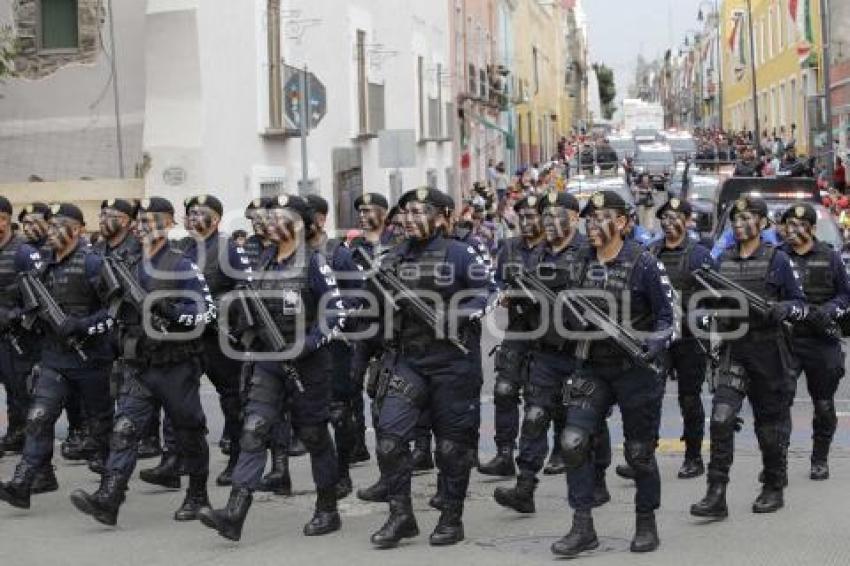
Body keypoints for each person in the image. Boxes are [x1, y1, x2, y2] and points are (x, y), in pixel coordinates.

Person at [198, 194, 346, 541]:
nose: (271, 222)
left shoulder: (313, 262)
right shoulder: (263, 261)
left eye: (281, 216)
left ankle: (328, 508)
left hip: (308, 365)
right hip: (268, 362)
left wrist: (308, 344)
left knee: (313, 435)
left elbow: (336, 314)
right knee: (253, 430)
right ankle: (234, 514)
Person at [70, 196, 215, 525]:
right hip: (138, 364)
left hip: (175, 363)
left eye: (152, 219)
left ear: (168, 224)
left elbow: (207, 311)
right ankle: (109, 497)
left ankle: (197, 494)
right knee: (124, 429)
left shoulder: (181, 263)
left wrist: (171, 311)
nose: (143, 225)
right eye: (140, 220)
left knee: (189, 432)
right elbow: (114, 310)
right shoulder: (128, 264)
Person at [552, 190, 674, 557]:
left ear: (621, 223)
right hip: (591, 365)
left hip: (635, 369)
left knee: (638, 453)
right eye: (589, 219)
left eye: (601, 218)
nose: (592, 225)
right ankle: (582, 525)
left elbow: (670, 318)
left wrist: (654, 344)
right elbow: (563, 310)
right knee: (573, 441)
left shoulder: (644, 262)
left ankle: (645, 522)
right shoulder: (578, 262)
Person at [367, 187, 489, 548]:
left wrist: (452, 315)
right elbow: (373, 308)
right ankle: (400, 515)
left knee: (452, 448)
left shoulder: (461, 253)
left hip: (453, 362)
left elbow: (488, 293)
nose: (412, 219)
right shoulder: (392, 257)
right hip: (408, 360)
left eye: (422, 212)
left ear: (442, 217)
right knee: (389, 440)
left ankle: (451, 517)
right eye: (407, 212)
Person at [690, 196, 806, 520]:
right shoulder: (721, 260)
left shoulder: (777, 260)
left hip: (768, 350)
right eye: (736, 218)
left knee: (769, 427)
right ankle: (716, 494)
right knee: (722, 417)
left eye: (749, 217)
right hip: (733, 347)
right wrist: (703, 316)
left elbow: (800, 304)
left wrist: (783, 309)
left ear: (763, 223)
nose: (741, 223)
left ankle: (773, 485)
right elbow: (706, 299)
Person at [0, 203, 115, 510]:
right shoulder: (42, 265)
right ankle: (22, 483)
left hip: (91, 359)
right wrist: (22, 317)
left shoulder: (93, 263)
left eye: (57, 226)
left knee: (99, 425)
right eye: (49, 226)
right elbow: (29, 306)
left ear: (77, 230)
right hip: (54, 358)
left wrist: (82, 326)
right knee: (38, 417)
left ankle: (109, 490)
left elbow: (115, 311)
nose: (50, 231)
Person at [492, 191, 596, 515]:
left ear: (574, 218)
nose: (549, 221)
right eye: (546, 215)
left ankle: (595, 487)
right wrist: (516, 296)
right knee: (534, 417)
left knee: (583, 428)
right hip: (545, 350)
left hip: (581, 351)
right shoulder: (536, 255)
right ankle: (525, 488)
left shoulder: (589, 253)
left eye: (556, 215)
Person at [180, 194, 251, 485]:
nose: (194, 218)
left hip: (219, 336)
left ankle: (237, 459)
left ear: (217, 219)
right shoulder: (183, 249)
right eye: (190, 213)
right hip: (187, 334)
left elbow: (245, 288)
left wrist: (217, 310)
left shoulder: (229, 249)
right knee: (181, 398)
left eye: (201, 213)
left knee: (232, 400)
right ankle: (181, 459)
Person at [780, 203, 849, 480]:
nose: (793, 230)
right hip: (787, 339)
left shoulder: (830, 257)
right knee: (779, 399)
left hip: (821, 340)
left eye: (799, 225)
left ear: (811, 228)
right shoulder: (777, 257)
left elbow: (846, 296)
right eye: (789, 225)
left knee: (823, 403)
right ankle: (778, 460)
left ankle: (819, 458)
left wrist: (829, 311)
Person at [478, 194, 545, 477]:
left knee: (542, 397)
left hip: (549, 330)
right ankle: (505, 453)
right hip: (517, 328)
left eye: (533, 216)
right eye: (523, 217)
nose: (528, 222)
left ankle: (552, 453)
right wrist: (501, 294)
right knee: (504, 391)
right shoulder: (509, 247)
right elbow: (498, 281)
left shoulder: (554, 248)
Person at [649, 198, 715, 478]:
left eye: (676, 217)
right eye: (664, 217)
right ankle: (642, 456)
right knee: (648, 396)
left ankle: (693, 457)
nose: (669, 222)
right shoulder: (650, 252)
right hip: (659, 336)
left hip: (690, 339)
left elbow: (716, 295)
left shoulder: (699, 254)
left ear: (687, 221)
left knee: (689, 398)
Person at [92, 199, 161, 462]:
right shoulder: (97, 250)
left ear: (125, 221)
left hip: (136, 326)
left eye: (109, 214)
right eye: (102, 213)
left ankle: (148, 437)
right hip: (107, 326)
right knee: (112, 386)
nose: (102, 218)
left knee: (139, 385)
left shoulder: (137, 248)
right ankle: (110, 442)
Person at [0, 201, 45, 455]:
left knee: (18, 390)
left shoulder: (24, 252)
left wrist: (13, 316)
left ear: (5, 220)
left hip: (16, 335)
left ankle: (20, 436)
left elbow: (41, 297)